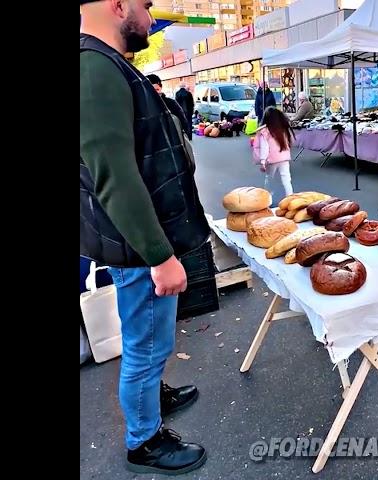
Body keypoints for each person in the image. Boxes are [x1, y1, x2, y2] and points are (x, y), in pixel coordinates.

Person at [80, 0, 210, 475]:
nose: (149, 14)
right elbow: (114, 175)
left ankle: (154, 396)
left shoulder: (108, 63)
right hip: (140, 246)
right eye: (144, 4)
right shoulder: (93, 65)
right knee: (145, 344)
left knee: (150, 337)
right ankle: (145, 440)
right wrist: (159, 256)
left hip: (141, 238)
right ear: (118, 6)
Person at [255, 106, 295, 197]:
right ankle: (290, 197)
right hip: (284, 157)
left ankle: (267, 198)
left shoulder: (265, 131)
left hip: (272, 159)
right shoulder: (283, 129)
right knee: (286, 179)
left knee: (269, 179)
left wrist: (262, 161)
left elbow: (264, 148)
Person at [146, 74, 192, 139]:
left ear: (161, 88)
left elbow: (183, 124)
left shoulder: (171, 103)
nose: (155, 94)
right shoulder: (141, 107)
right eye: (151, 91)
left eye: (156, 90)